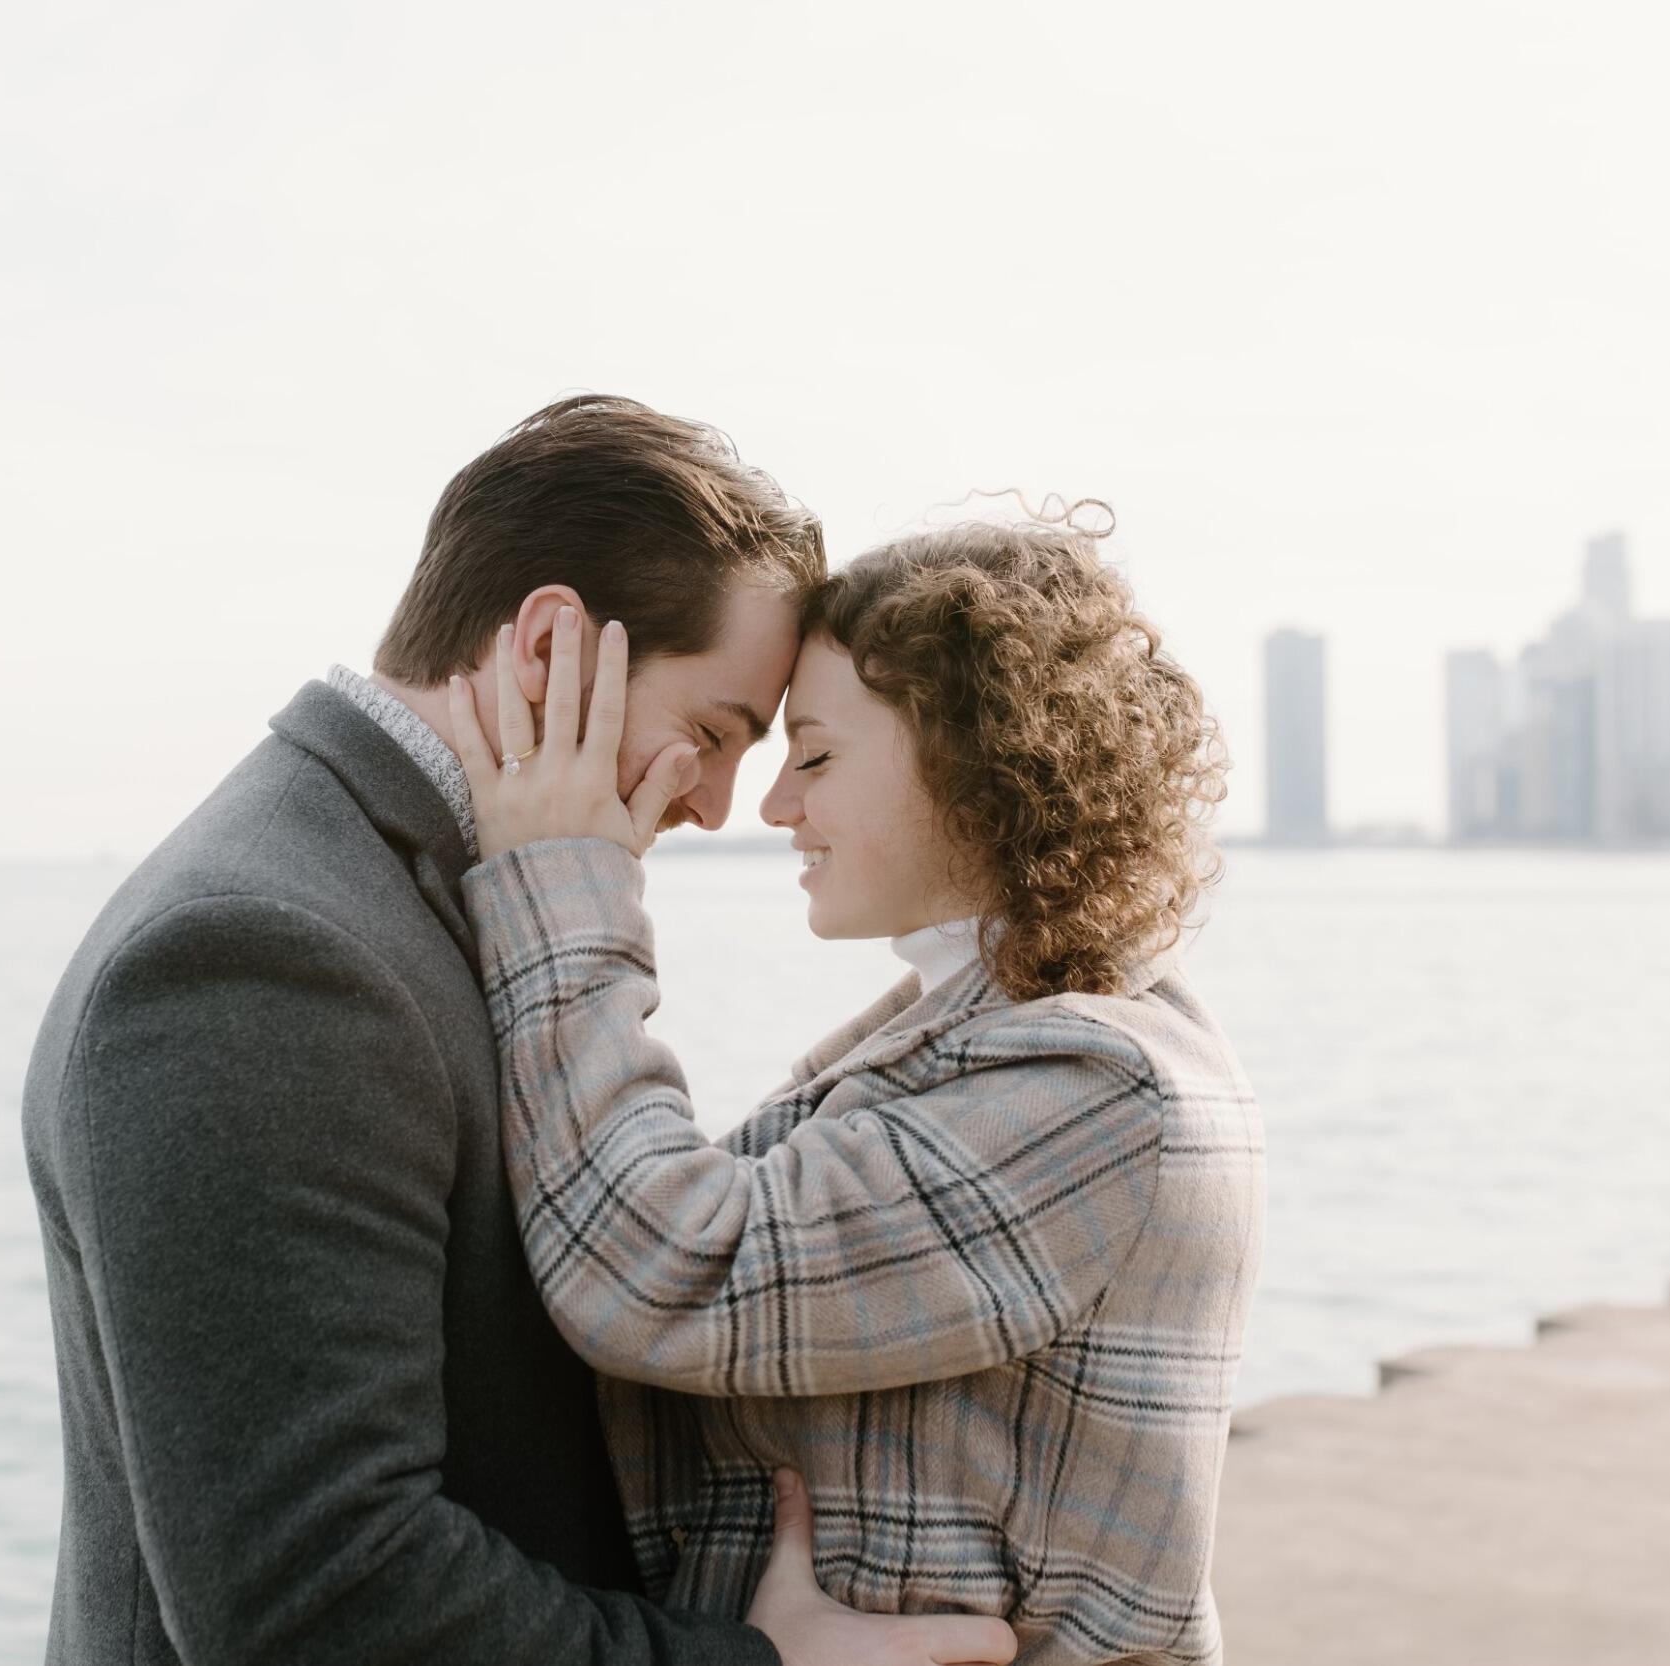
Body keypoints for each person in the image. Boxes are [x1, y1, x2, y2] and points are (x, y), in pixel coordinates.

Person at [20, 395, 1018, 1666]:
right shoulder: (260, 956)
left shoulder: (410, 893)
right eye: (712, 732)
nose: (719, 803)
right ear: (549, 648)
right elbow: (318, 1598)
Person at [443, 510, 1266, 1666]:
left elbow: (661, 1268)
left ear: (982, 766)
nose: (774, 806)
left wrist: (564, 891)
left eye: (816, 756)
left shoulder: (1104, 1088)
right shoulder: (982, 1035)